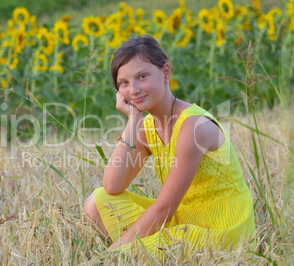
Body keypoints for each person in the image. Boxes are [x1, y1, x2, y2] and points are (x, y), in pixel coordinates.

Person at [83, 34, 255, 259]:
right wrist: (133, 121)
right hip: (182, 217)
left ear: (165, 72)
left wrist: (112, 254)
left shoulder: (194, 126)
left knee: (130, 252)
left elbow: (165, 208)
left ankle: (131, 254)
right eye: (124, 83)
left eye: (142, 76)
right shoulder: (145, 127)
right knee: (96, 204)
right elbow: (113, 185)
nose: (133, 90)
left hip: (221, 224)